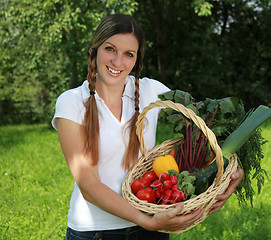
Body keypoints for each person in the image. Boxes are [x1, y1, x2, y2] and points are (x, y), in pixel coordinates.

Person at [52, 14, 243, 240]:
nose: (117, 61)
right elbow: (88, 184)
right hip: (96, 231)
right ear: (95, 49)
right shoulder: (72, 102)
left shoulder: (151, 91)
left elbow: (204, 125)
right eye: (110, 49)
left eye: (128, 54)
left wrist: (232, 174)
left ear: (136, 60)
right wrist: (145, 221)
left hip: (154, 221)